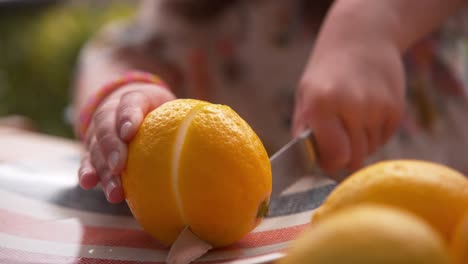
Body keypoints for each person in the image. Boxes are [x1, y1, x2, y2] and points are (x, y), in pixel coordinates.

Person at [73, 0, 468, 203]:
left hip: (441, 203)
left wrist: (371, 22)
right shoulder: (190, 15)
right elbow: (118, 52)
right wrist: (122, 97)